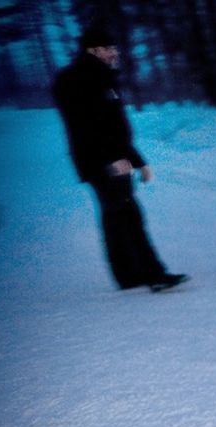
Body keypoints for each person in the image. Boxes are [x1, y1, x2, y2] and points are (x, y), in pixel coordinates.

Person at [53, 25, 188, 293]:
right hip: (101, 162)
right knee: (128, 213)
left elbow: (115, 128)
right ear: (94, 50)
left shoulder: (101, 77)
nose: (115, 53)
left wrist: (138, 161)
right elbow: (84, 129)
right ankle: (154, 274)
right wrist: (108, 161)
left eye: (114, 48)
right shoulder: (78, 80)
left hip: (110, 159)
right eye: (109, 48)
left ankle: (127, 276)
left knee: (115, 215)